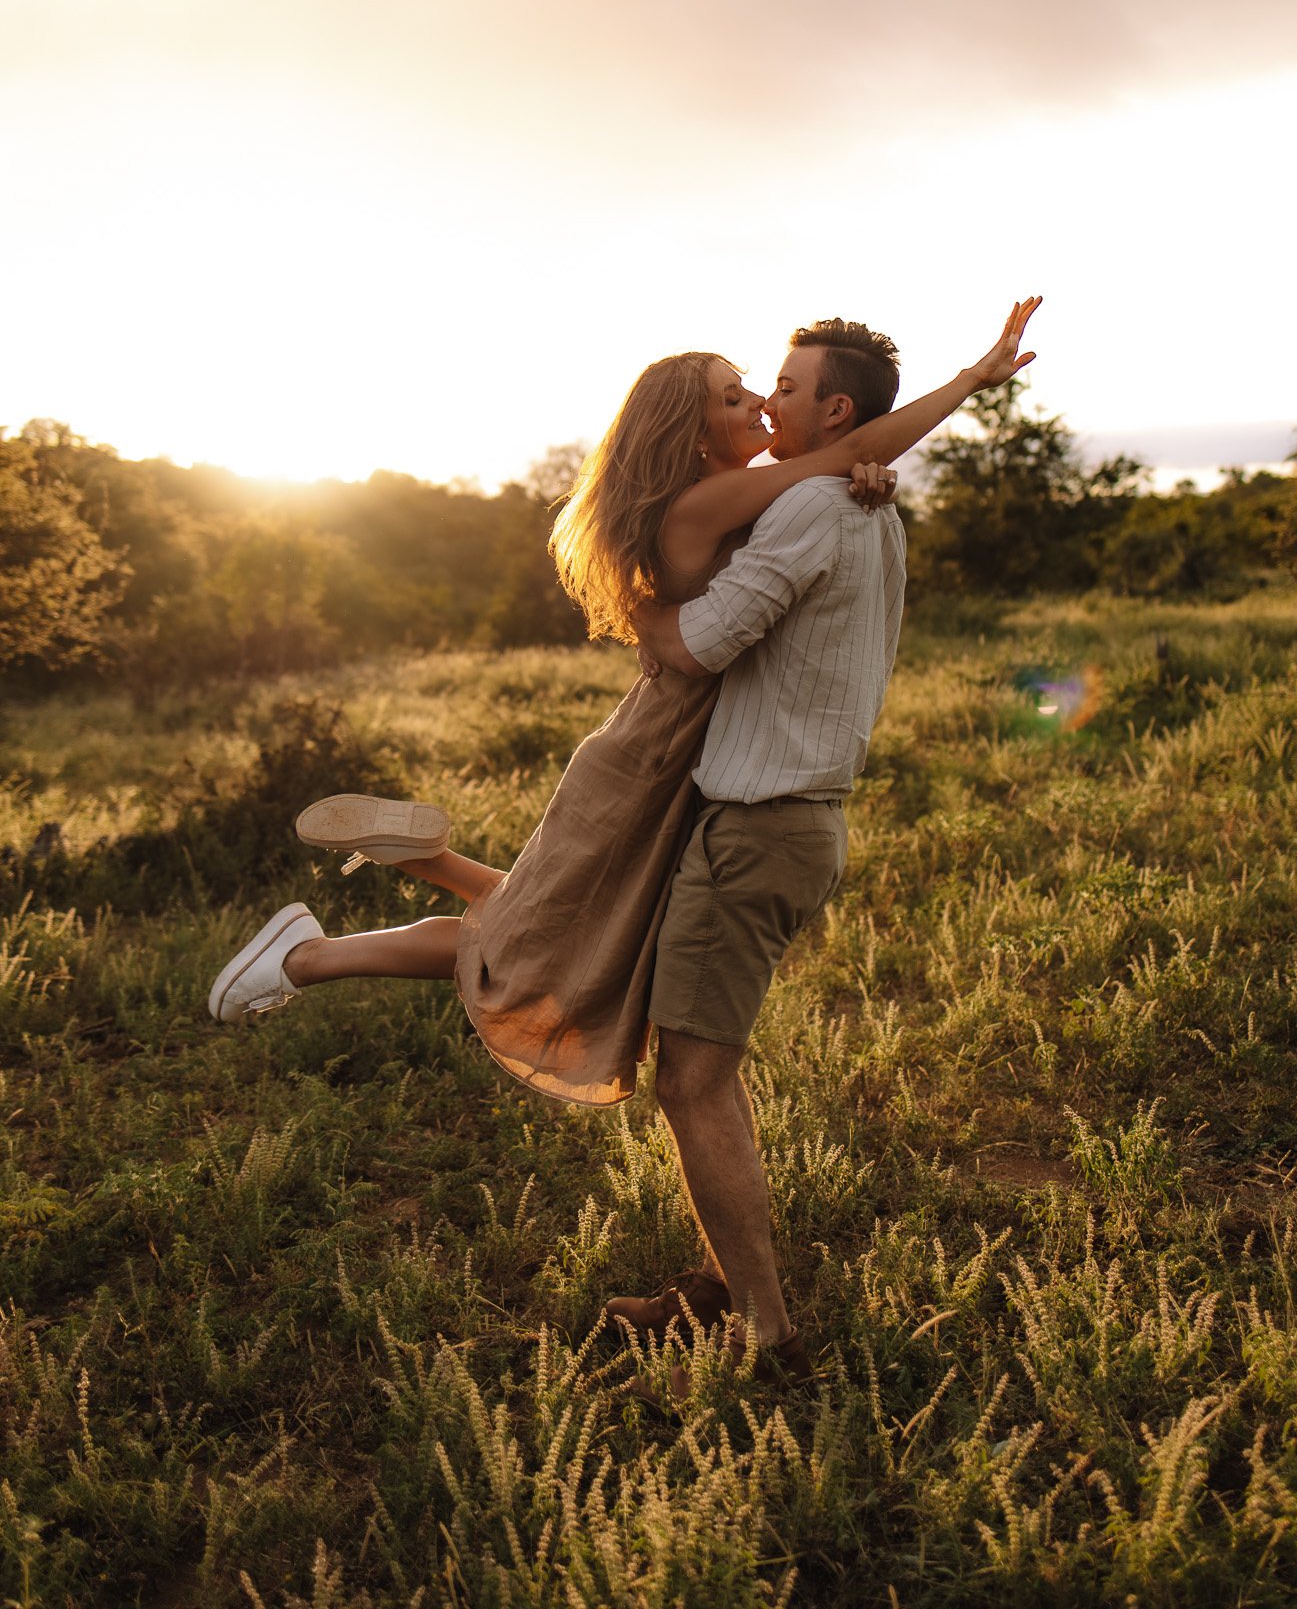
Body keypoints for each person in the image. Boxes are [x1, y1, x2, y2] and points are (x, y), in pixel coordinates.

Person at [208, 303, 1041, 1354]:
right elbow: (704, 633)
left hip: (719, 776)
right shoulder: (766, 498)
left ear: (826, 408)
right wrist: (661, 598)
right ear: (698, 431)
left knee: (571, 943)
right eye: (742, 395)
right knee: (558, 935)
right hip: (671, 754)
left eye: (772, 389)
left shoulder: (808, 497)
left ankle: (409, 875)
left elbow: (823, 500)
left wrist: (875, 458)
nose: (762, 403)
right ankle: (354, 922)